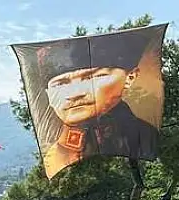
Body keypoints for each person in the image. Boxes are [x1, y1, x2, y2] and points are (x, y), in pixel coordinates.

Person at [30, 27, 161, 178]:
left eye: (92, 77)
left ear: (130, 77)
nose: (76, 94)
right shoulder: (55, 156)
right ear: (48, 94)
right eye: (60, 84)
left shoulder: (145, 136)